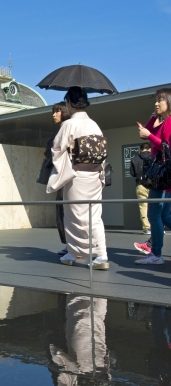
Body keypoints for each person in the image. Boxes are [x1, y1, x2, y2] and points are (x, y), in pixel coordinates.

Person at [47, 87, 109, 269]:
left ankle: (74, 253)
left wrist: (69, 151)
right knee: (94, 216)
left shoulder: (69, 125)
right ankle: (102, 254)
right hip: (95, 174)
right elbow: (101, 151)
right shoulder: (94, 124)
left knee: (74, 216)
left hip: (77, 174)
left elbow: (57, 149)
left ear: (69, 103)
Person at [135, 88, 171, 266]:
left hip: (164, 177)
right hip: (162, 176)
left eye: (160, 100)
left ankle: (156, 254)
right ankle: (155, 253)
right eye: (155, 100)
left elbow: (167, 147)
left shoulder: (170, 122)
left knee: (154, 215)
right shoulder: (163, 122)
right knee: (163, 216)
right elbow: (147, 131)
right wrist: (152, 117)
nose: (156, 103)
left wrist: (150, 136)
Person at [38, 102, 70, 254]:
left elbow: (51, 153)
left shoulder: (65, 130)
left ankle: (72, 245)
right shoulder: (62, 131)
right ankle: (71, 244)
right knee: (65, 211)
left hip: (66, 176)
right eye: (53, 111)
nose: (54, 114)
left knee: (65, 211)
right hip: (65, 176)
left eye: (57, 111)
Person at [130, 142, 152, 234]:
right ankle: (158, 228)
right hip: (154, 185)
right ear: (150, 149)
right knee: (156, 206)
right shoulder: (154, 156)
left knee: (143, 206)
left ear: (141, 149)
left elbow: (132, 173)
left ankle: (147, 228)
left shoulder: (135, 158)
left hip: (140, 185)